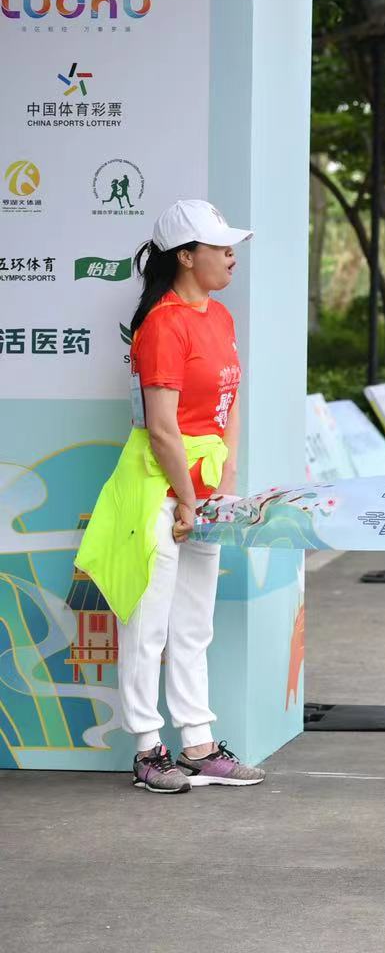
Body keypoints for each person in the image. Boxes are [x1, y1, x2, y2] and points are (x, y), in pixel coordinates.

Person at [75, 199, 267, 794]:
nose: (231, 255)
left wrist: (223, 483)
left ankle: (199, 744)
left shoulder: (221, 317)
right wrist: (185, 499)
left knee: (193, 624)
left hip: (202, 490)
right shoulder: (162, 324)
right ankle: (146, 749)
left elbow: (230, 406)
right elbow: (161, 428)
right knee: (148, 624)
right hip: (156, 490)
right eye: (219, 246)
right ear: (185, 256)